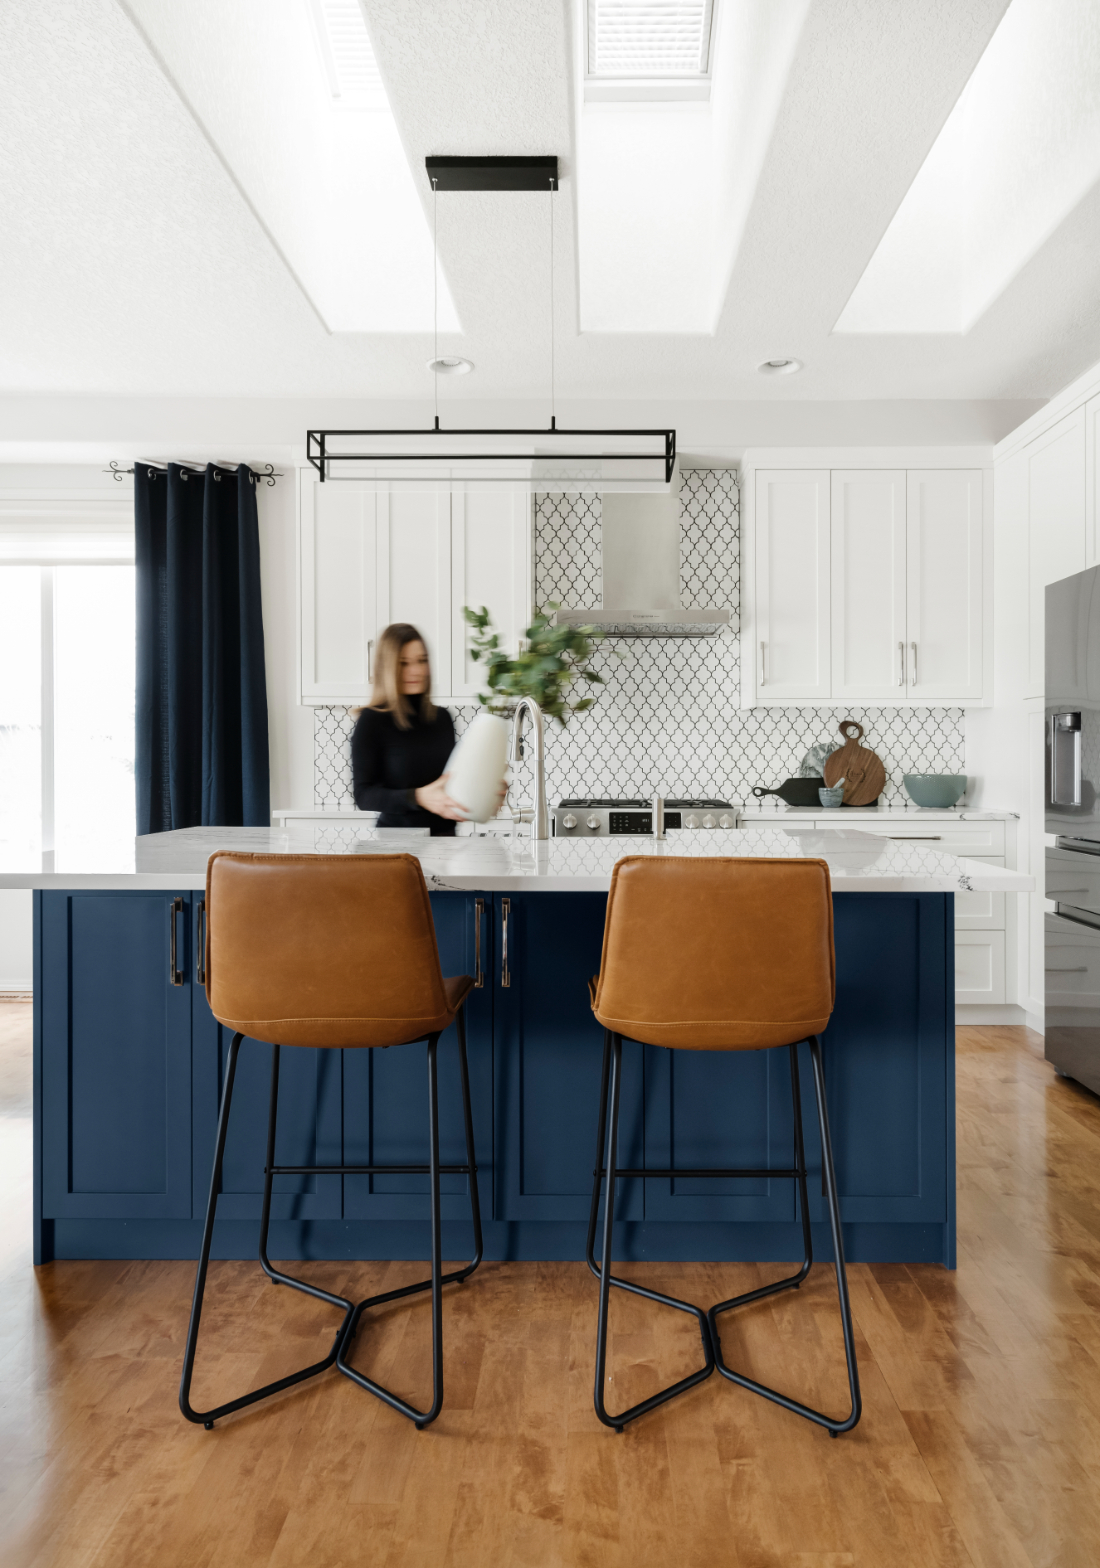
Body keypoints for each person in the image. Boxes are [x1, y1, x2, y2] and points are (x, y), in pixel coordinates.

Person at [350, 623, 468, 836]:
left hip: (446, 845)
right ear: (387, 668)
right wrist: (418, 797)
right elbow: (363, 795)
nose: (416, 671)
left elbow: (451, 783)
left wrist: (485, 791)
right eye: (403, 663)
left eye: (422, 661)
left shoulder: (443, 718)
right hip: (396, 847)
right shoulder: (372, 720)